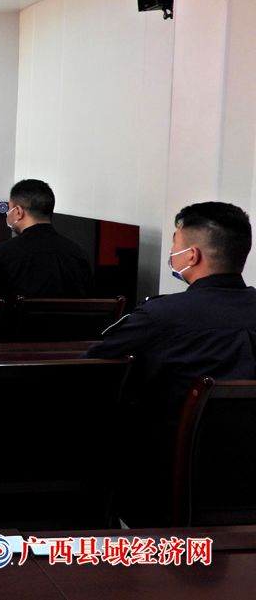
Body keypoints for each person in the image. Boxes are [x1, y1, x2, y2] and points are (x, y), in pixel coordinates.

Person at [86, 202, 256, 525]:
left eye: (175, 242)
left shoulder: (159, 317)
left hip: (168, 485)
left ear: (192, 256)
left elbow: (95, 369)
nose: (171, 250)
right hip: (245, 482)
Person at [0, 178, 92, 300]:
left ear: (18, 211)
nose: (7, 213)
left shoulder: (3, 253)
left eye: (9, 208)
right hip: (70, 314)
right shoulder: (78, 253)